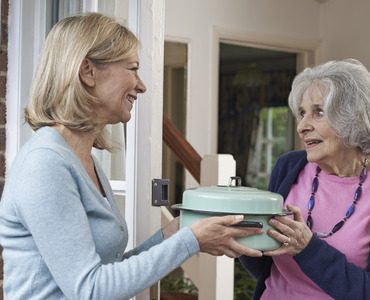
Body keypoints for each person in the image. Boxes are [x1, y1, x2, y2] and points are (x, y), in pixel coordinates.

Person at [0, 12, 264, 300]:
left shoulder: (84, 160)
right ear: (88, 72)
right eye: (133, 68)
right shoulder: (45, 164)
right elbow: (91, 290)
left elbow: (108, 272)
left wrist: (174, 234)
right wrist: (192, 240)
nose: (142, 85)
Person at [239, 59, 370, 299]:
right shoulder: (288, 167)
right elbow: (267, 269)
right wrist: (244, 238)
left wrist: (308, 249)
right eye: (302, 113)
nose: (302, 126)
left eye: (318, 112)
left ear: (354, 118)